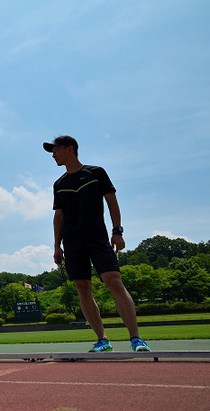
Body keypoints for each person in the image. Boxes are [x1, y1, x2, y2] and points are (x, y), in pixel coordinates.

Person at [44, 135, 150, 353]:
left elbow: (112, 202)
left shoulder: (96, 173)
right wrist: (57, 246)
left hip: (97, 237)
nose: (53, 155)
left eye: (56, 150)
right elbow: (59, 217)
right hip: (72, 242)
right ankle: (103, 339)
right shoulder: (59, 184)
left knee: (114, 281)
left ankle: (136, 338)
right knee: (83, 287)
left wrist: (117, 231)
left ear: (70, 149)